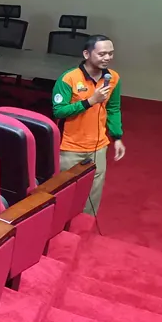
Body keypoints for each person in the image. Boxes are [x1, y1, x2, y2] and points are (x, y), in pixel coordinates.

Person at [52, 35, 124, 216]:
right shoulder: (68, 78)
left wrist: (117, 137)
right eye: (102, 54)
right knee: (63, 192)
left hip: (98, 146)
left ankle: (84, 226)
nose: (107, 58)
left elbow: (114, 108)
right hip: (69, 147)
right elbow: (59, 111)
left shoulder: (113, 78)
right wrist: (90, 101)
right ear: (86, 54)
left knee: (93, 193)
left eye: (110, 53)